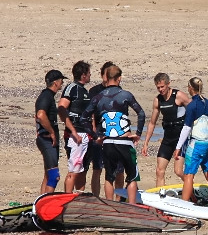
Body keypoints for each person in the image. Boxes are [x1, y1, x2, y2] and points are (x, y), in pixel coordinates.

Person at [80, 65, 145, 204]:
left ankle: (109, 205)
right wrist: (138, 133)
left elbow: (83, 118)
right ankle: (131, 206)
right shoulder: (125, 95)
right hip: (124, 141)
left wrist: (95, 135)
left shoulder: (98, 97)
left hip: (108, 142)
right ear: (119, 78)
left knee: (109, 176)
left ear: (106, 77)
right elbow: (141, 113)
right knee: (132, 176)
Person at [173, 77, 208, 202]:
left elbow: (187, 128)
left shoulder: (192, 106)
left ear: (190, 88)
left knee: (189, 175)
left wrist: (178, 147)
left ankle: (184, 206)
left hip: (196, 144)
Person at [141, 73, 191, 189]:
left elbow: (194, 111)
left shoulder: (179, 96)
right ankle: (160, 197)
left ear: (168, 84)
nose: (160, 90)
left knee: (178, 171)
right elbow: (152, 123)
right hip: (167, 139)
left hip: (181, 139)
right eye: (158, 87)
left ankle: (190, 186)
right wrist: (146, 143)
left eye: (162, 87)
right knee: (159, 170)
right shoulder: (158, 100)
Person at [88, 61, 124, 196]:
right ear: (103, 74)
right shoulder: (94, 91)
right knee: (97, 168)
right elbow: (90, 112)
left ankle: (118, 199)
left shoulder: (119, 90)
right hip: (100, 130)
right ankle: (97, 198)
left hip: (116, 132)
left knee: (119, 170)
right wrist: (93, 132)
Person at [57, 60, 92, 193]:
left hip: (84, 134)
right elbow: (61, 108)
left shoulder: (83, 90)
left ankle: (79, 198)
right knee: (74, 170)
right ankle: (67, 199)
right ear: (83, 75)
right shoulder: (72, 88)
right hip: (76, 135)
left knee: (82, 169)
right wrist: (73, 131)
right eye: (89, 73)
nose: (90, 76)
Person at [35, 69, 66, 194]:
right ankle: (47, 207)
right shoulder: (46, 96)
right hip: (47, 139)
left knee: (48, 175)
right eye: (61, 80)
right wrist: (52, 132)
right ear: (55, 83)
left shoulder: (47, 96)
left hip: (45, 138)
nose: (62, 83)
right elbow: (40, 115)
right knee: (54, 176)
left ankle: (40, 206)